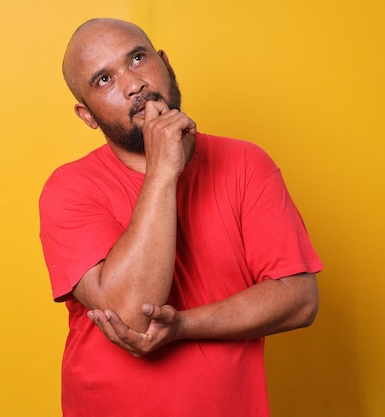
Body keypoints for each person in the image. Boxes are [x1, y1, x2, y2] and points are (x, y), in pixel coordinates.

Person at [39, 17, 323, 417]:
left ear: (166, 64)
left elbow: (300, 300)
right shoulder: (69, 189)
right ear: (87, 116)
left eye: (138, 58)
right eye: (104, 80)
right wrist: (162, 171)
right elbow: (132, 315)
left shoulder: (246, 164)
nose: (133, 84)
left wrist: (185, 327)